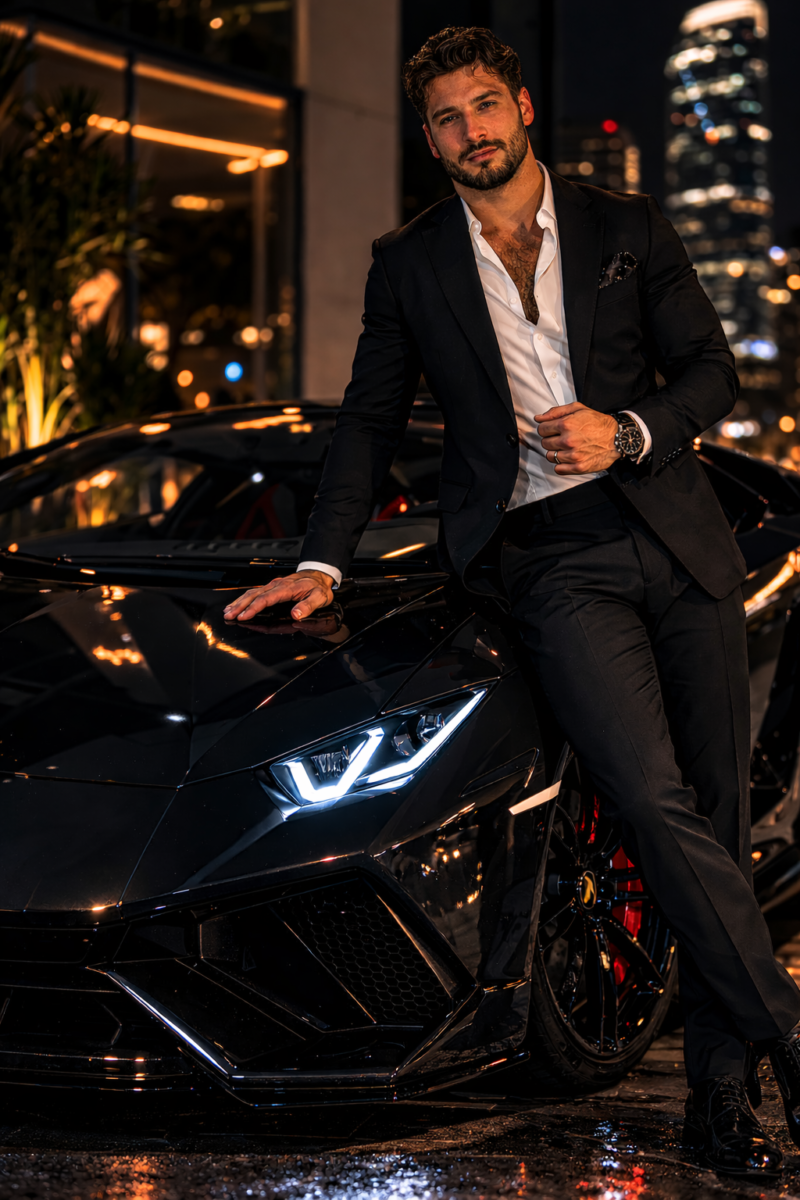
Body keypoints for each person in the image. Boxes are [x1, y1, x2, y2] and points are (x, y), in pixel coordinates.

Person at [224, 26, 800, 1176]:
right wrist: (322, 561)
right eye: (445, 117)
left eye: (483, 104)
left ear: (521, 105)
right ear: (428, 136)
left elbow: (711, 373)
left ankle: (718, 1100)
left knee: (716, 829)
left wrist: (626, 429)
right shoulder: (412, 261)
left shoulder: (624, 225)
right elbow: (366, 422)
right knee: (648, 800)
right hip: (549, 559)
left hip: (677, 544)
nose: (469, 131)